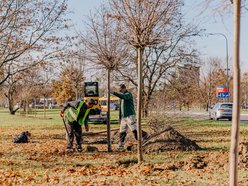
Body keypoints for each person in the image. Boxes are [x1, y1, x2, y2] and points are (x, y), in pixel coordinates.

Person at [112, 84, 138, 151]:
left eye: (121, 89)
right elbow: (121, 108)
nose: (120, 91)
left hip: (130, 115)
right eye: (119, 90)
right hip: (124, 117)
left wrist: (114, 93)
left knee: (134, 129)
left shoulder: (128, 94)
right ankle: (121, 145)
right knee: (122, 131)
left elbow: (124, 97)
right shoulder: (122, 97)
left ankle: (141, 141)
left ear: (124, 88)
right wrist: (120, 117)